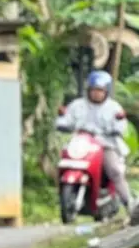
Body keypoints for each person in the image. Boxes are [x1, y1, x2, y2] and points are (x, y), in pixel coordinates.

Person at [56, 70, 133, 210]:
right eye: (93, 90)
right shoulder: (77, 105)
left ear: (106, 91)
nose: (96, 93)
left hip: (105, 145)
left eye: (100, 90)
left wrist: (117, 128)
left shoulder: (113, 107)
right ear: (88, 90)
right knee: (62, 161)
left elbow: (121, 123)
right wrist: (62, 123)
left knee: (115, 170)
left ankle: (129, 204)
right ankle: (62, 196)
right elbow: (65, 119)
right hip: (80, 144)